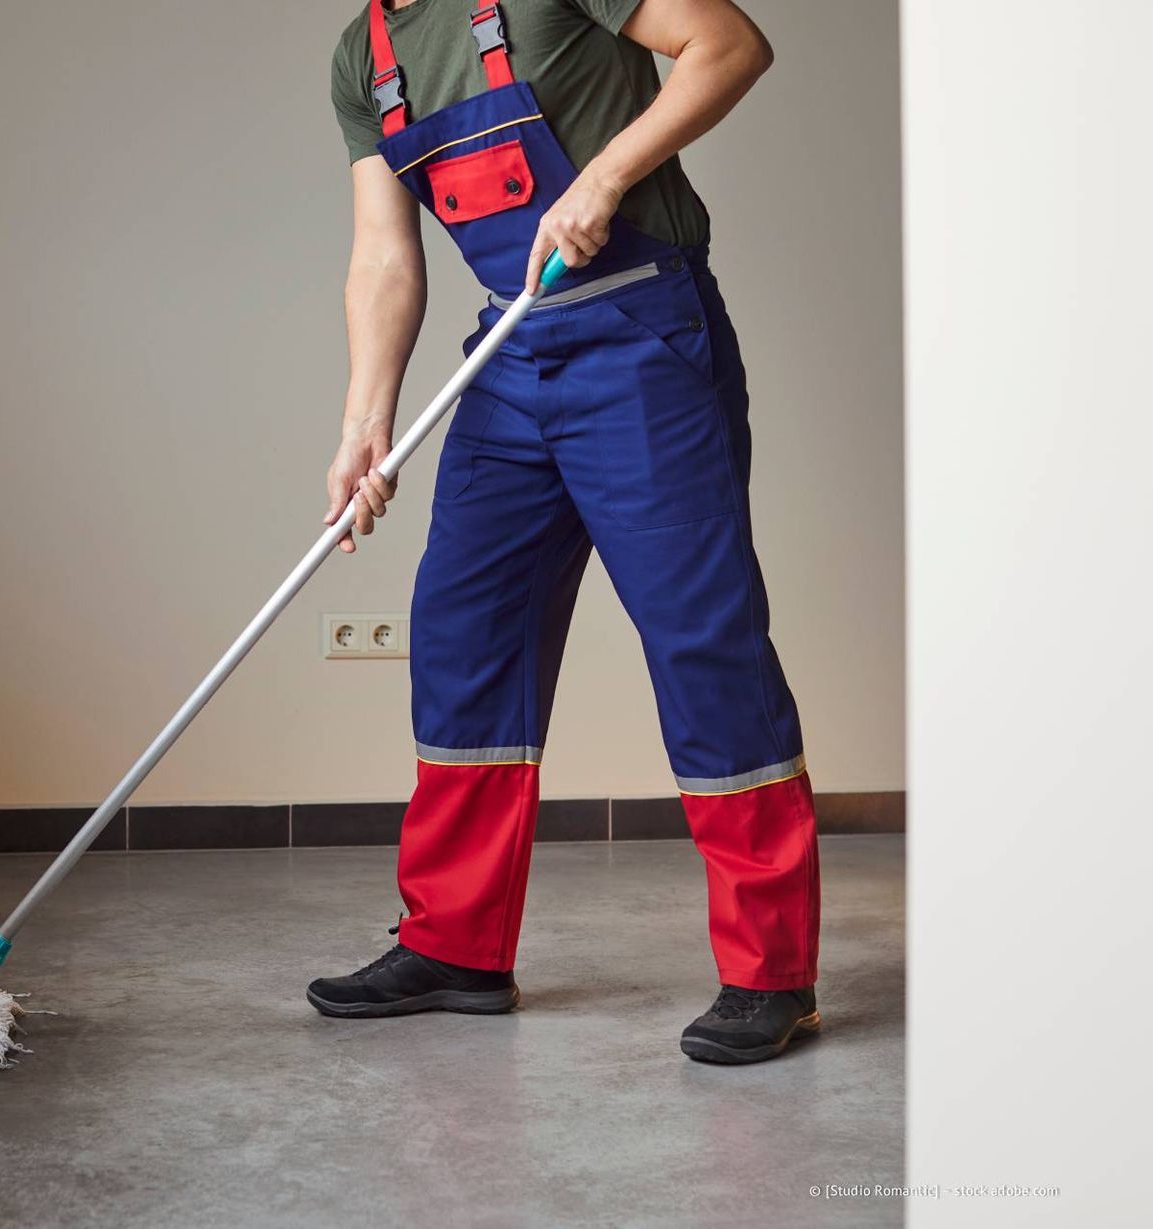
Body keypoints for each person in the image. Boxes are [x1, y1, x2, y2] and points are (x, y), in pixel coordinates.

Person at [306, 0, 821, 1065]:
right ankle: (456, 947)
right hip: (510, 351)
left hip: (640, 335)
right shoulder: (368, 56)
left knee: (700, 642)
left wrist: (606, 174)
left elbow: (731, 45)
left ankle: (771, 969)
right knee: (463, 639)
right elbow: (384, 259)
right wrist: (365, 423)